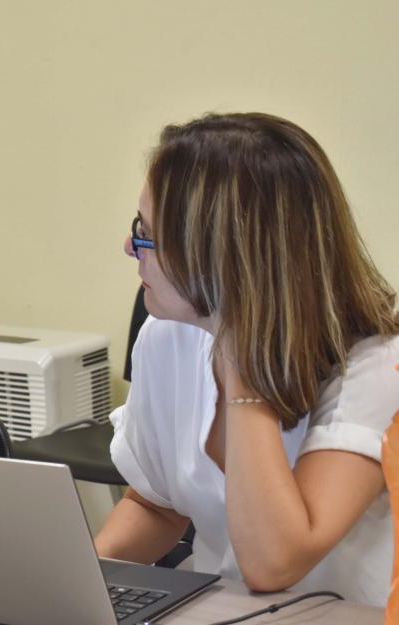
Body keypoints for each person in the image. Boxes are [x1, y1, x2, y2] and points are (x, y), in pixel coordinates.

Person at [94, 112, 399, 607]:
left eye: (148, 234)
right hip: (224, 611)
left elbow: (273, 564)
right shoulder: (166, 337)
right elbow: (157, 507)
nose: (131, 247)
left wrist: (241, 351)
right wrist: (75, 582)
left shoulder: (377, 366)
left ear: (224, 257)